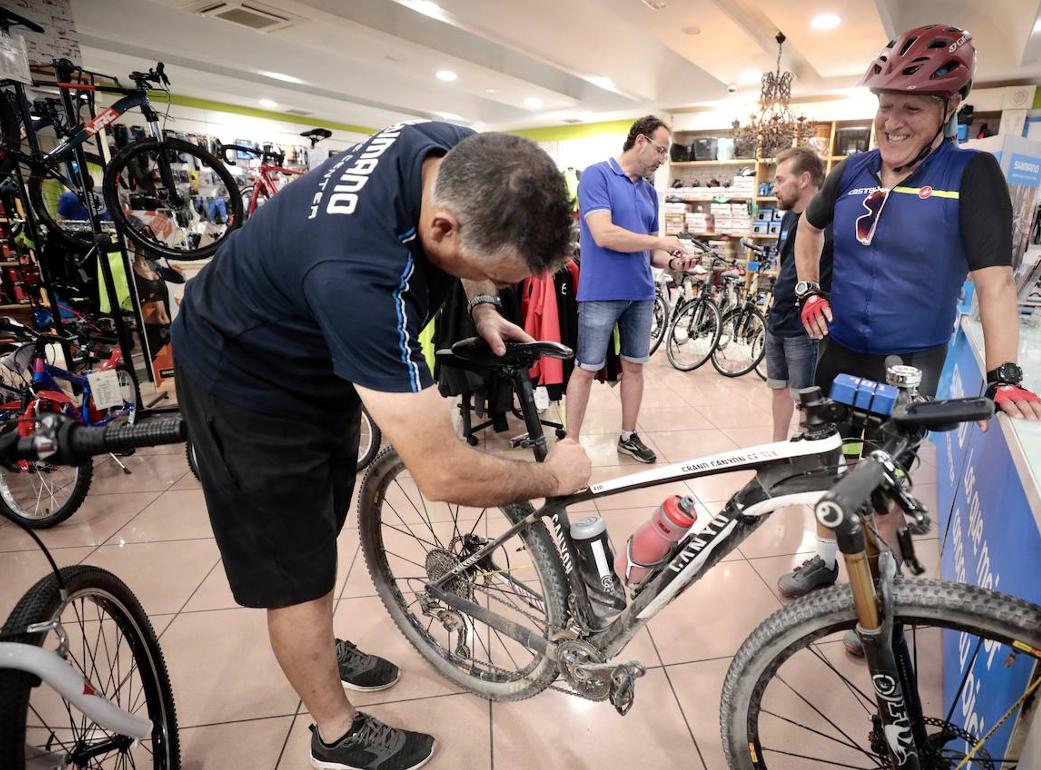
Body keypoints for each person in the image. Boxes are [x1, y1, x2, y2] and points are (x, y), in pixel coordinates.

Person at [172, 122, 592, 770]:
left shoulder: (456, 152)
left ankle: (314, 645)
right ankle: (333, 735)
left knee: (324, 519)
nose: (497, 286)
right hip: (246, 380)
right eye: (490, 274)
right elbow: (445, 475)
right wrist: (553, 477)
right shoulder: (357, 276)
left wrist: (481, 302)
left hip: (316, 344)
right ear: (445, 228)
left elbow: (480, 248)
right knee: (296, 573)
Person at [779, 25, 1041, 601]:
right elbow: (808, 227)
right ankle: (826, 561)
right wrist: (808, 290)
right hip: (841, 348)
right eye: (885, 105)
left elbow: (996, 282)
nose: (893, 121)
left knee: (882, 485)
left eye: (913, 107)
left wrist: (1003, 376)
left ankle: (877, 592)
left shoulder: (970, 175)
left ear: (949, 109)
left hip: (911, 360)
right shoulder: (851, 171)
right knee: (832, 462)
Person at [562, 115, 697, 460]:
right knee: (586, 367)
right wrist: (663, 240)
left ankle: (628, 435)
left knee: (634, 366)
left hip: (640, 293)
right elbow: (604, 235)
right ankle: (571, 442)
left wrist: (674, 262)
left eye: (666, 153)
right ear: (640, 141)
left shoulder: (649, 192)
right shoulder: (597, 176)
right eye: (660, 150)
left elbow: (651, 253)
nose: (662, 159)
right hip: (601, 293)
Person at [764, 147, 828, 442]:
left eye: (779, 180)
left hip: (804, 327)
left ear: (804, 180)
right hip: (777, 318)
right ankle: (776, 449)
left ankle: (805, 457)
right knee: (778, 388)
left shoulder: (827, 222)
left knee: (806, 397)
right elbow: (782, 262)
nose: (774, 188)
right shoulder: (789, 217)